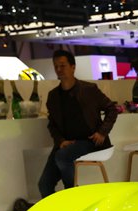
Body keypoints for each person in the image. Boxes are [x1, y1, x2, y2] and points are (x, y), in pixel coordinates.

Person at [38, 49, 118, 198]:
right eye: (56, 66)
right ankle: (61, 209)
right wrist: (60, 141)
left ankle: (71, 194)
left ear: (73, 67)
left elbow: (112, 109)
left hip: (90, 141)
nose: (59, 69)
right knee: (44, 185)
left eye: (62, 65)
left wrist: (102, 132)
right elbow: (52, 124)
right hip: (66, 144)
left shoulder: (89, 90)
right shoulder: (53, 96)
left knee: (63, 156)